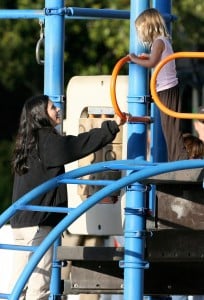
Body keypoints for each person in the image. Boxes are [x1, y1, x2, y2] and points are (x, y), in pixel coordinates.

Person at [9, 94, 126, 299]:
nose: (58, 110)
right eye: (53, 107)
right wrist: (112, 126)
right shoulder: (46, 140)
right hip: (39, 224)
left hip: (21, 223)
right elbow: (78, 145)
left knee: (20, 283)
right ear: (41, 115)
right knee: (40, 285)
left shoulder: (27, 142)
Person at [127, 8, 188, 162]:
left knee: (172, 129)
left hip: (167, 90)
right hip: (167, 89)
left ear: (148, 27)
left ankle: (180, 160)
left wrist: (134, 59)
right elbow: (156, 59)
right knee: (169, 128)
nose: (140, 34)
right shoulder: (161, 41)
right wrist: (146, 56)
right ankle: (177, 160)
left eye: (140, 30)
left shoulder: (159, 42)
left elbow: (152, 62)